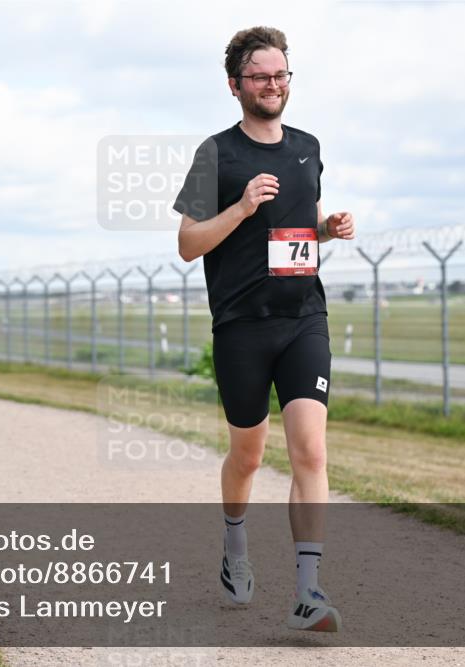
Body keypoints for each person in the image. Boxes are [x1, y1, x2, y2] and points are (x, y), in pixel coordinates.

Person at [173, 26, 355, 632]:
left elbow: (299, 227)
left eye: (281, 75)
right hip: (242, 326)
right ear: (235, 85)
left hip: (304, 318)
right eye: (260, 77)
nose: (273, 85)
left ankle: (308, 592)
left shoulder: (308, 146)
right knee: (247, 457)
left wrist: (326, 228)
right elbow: (188, 244)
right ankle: (234, 547)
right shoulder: (216, 154)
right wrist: (242, 205)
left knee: (310, 449)